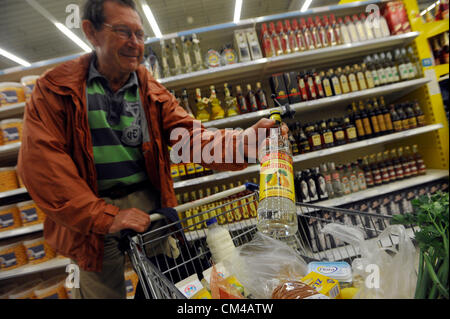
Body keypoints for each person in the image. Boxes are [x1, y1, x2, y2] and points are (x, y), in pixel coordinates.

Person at [17, 0, 287, 299]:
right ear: (90, 32)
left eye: (140, 34)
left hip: (149, 208)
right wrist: (106, 216)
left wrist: (244, 142)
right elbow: (42, 167)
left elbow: (192, 139)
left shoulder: (149, 89)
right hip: (89, 217)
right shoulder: (55, 88)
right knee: (100, 294)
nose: (135, 44)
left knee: (169, 289)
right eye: (123, 31)